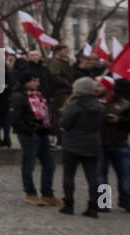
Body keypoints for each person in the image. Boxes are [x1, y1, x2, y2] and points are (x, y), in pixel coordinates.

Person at [59, 76, 106, 217]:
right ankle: (93, 206)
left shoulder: (75, 105)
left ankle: (69, 204)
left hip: (72, 143)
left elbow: (65, 123)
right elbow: (101, 124)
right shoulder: (100, 106)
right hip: (92, 143)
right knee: (93, 177)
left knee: (69, 175)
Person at [10, 71, 58, 206]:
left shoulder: (38, 96)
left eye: (38, 81)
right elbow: (15, 118)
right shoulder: (18, 96)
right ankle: (30, 193)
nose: (38, 83)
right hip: (29, 134)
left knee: (49, 164)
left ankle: (47, 193)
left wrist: (47, 127)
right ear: (27, 82)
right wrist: (30, 129)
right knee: (28, 164)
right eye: (34, 81)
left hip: (42, 133)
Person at [98, 76, 130, 213]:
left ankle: (126, 201)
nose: (97, 88)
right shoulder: (96, 102)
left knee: (125, 174)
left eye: (100, 85)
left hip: (119, 143)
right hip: (100, 143)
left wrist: (119, 120)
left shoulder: (125, 104)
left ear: (109, 88)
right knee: (101, 175)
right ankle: (104, 202)